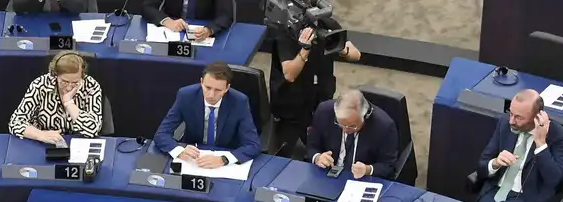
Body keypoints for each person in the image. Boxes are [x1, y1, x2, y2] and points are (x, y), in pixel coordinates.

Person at [473, 89, 563, 202]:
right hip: (495, 190)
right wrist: (495, 163)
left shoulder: (558, 135)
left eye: (518, 117)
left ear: (537, 117)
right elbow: (482, 165)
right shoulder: (505, 123)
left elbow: (554, 180)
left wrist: (541, 144)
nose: (512, 121)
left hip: (526, 198)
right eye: (511, 113)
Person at [270, 20, 362, 156]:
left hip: (320, 100)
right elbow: (289, 74)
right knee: (286, 154)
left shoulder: (329, 25)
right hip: (291, 105)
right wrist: (305, 49)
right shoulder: (286, 30)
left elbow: (356, 54)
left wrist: (341, 48)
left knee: (321, 153)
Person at [153, 61, 261, 166]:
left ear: (227, 88)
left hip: (225, 152)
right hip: (195, 156)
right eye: (207, 87)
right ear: (201, 82)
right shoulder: (186, 96)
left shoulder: (239, 102)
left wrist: (224, 159)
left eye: (218, 90)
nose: (211, 95)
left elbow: (253, 145)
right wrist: (179, 151)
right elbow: (161, 134)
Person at [7, 51, 104, 144]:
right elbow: (15, 123)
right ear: (55, 75)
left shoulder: (91, 86)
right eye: (64, 82)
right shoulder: (41, 85)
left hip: (79, 143)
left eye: (75, 83)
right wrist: (41, 135)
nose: (69, 87)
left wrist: (69, 103)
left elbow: (93, 129)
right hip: (45, 141)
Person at [303, 88, 398, 178]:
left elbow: (389, 165)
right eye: (340, 124)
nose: (345, 130)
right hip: (326, 175)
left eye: (352, 126)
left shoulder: (384, 126)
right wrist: (318, 158)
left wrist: (367, 169)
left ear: (365, 116)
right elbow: (311, 147)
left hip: (360, 180)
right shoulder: (324, 112)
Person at [141, 0, 235, 38]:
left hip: (203, 31)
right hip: (172, 32)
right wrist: (167, 21)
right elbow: (147, 7)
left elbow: (225, 15)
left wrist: (209, 30)